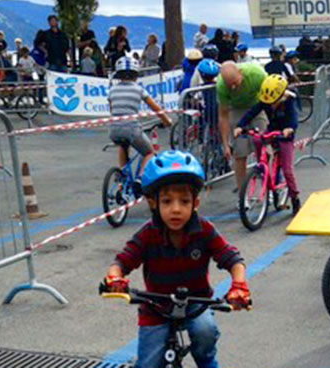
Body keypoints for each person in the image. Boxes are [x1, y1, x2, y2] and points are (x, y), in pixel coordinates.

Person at [103, 149, 250, 368]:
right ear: (154, 203)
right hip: (155, 307)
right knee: (148, 363)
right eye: (167, 201)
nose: (176, 209)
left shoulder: (205, 230)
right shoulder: (147, 234)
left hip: (196, 303)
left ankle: (207, 361)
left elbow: (233, 260)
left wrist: (239, 286)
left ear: (196, 204)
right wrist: (115, 279)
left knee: (205, 331)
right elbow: (122, 262)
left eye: (184, 201)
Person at [234, 75, 301, 213]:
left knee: (287, 170)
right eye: (268, 103)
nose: (271, 105)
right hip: (272, 130)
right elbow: (252, 112)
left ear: (282, 96)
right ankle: (262, 164)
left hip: (285, 135)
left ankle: (295, 197)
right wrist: (240, 125)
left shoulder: (289, 101)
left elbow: (294, 118)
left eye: (274, 102)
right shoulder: (266, 101)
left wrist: (290, 129)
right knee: (258, 139)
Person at [108, 57, 171, 184]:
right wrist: (166, 120)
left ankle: (122, 178)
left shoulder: (112, 90)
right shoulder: (138, 89)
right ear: (136, 74)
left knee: (123, 145)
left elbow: (112, 110)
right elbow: (155, 108)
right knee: (149, 152)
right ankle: (140, 178)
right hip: (131, 128)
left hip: (114, 129)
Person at [217, 61, 268, 195]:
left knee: (264, 149)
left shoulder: (256, 74)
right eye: (230, 85)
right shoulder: (221, 86)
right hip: (237, 110)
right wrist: (226, 143)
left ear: (241, 73)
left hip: (257, 106)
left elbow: (269, 97)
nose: (233, 87)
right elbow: (223, 115)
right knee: (239, 153)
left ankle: (268, 188)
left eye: (235, 82)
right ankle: (242, 193)